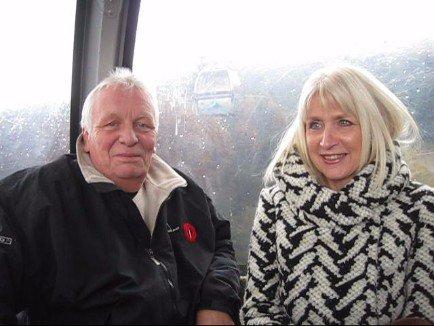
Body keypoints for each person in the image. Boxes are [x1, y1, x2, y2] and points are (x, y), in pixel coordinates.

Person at [0, 68, 241, 324]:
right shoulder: (37, 198)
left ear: (155, 136)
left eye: (143, 125)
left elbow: (220, 243)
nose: (129, 137)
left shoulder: (182, 191)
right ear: (87, 135)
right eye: (111, 124)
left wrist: (216, 303)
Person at [241, 64, 434, 325]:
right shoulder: (275, 205)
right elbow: (258, 310)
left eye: (344, 122)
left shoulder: (421, 207)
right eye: (315, 125)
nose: (326, 141)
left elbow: (424, 313)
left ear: (374, 126)